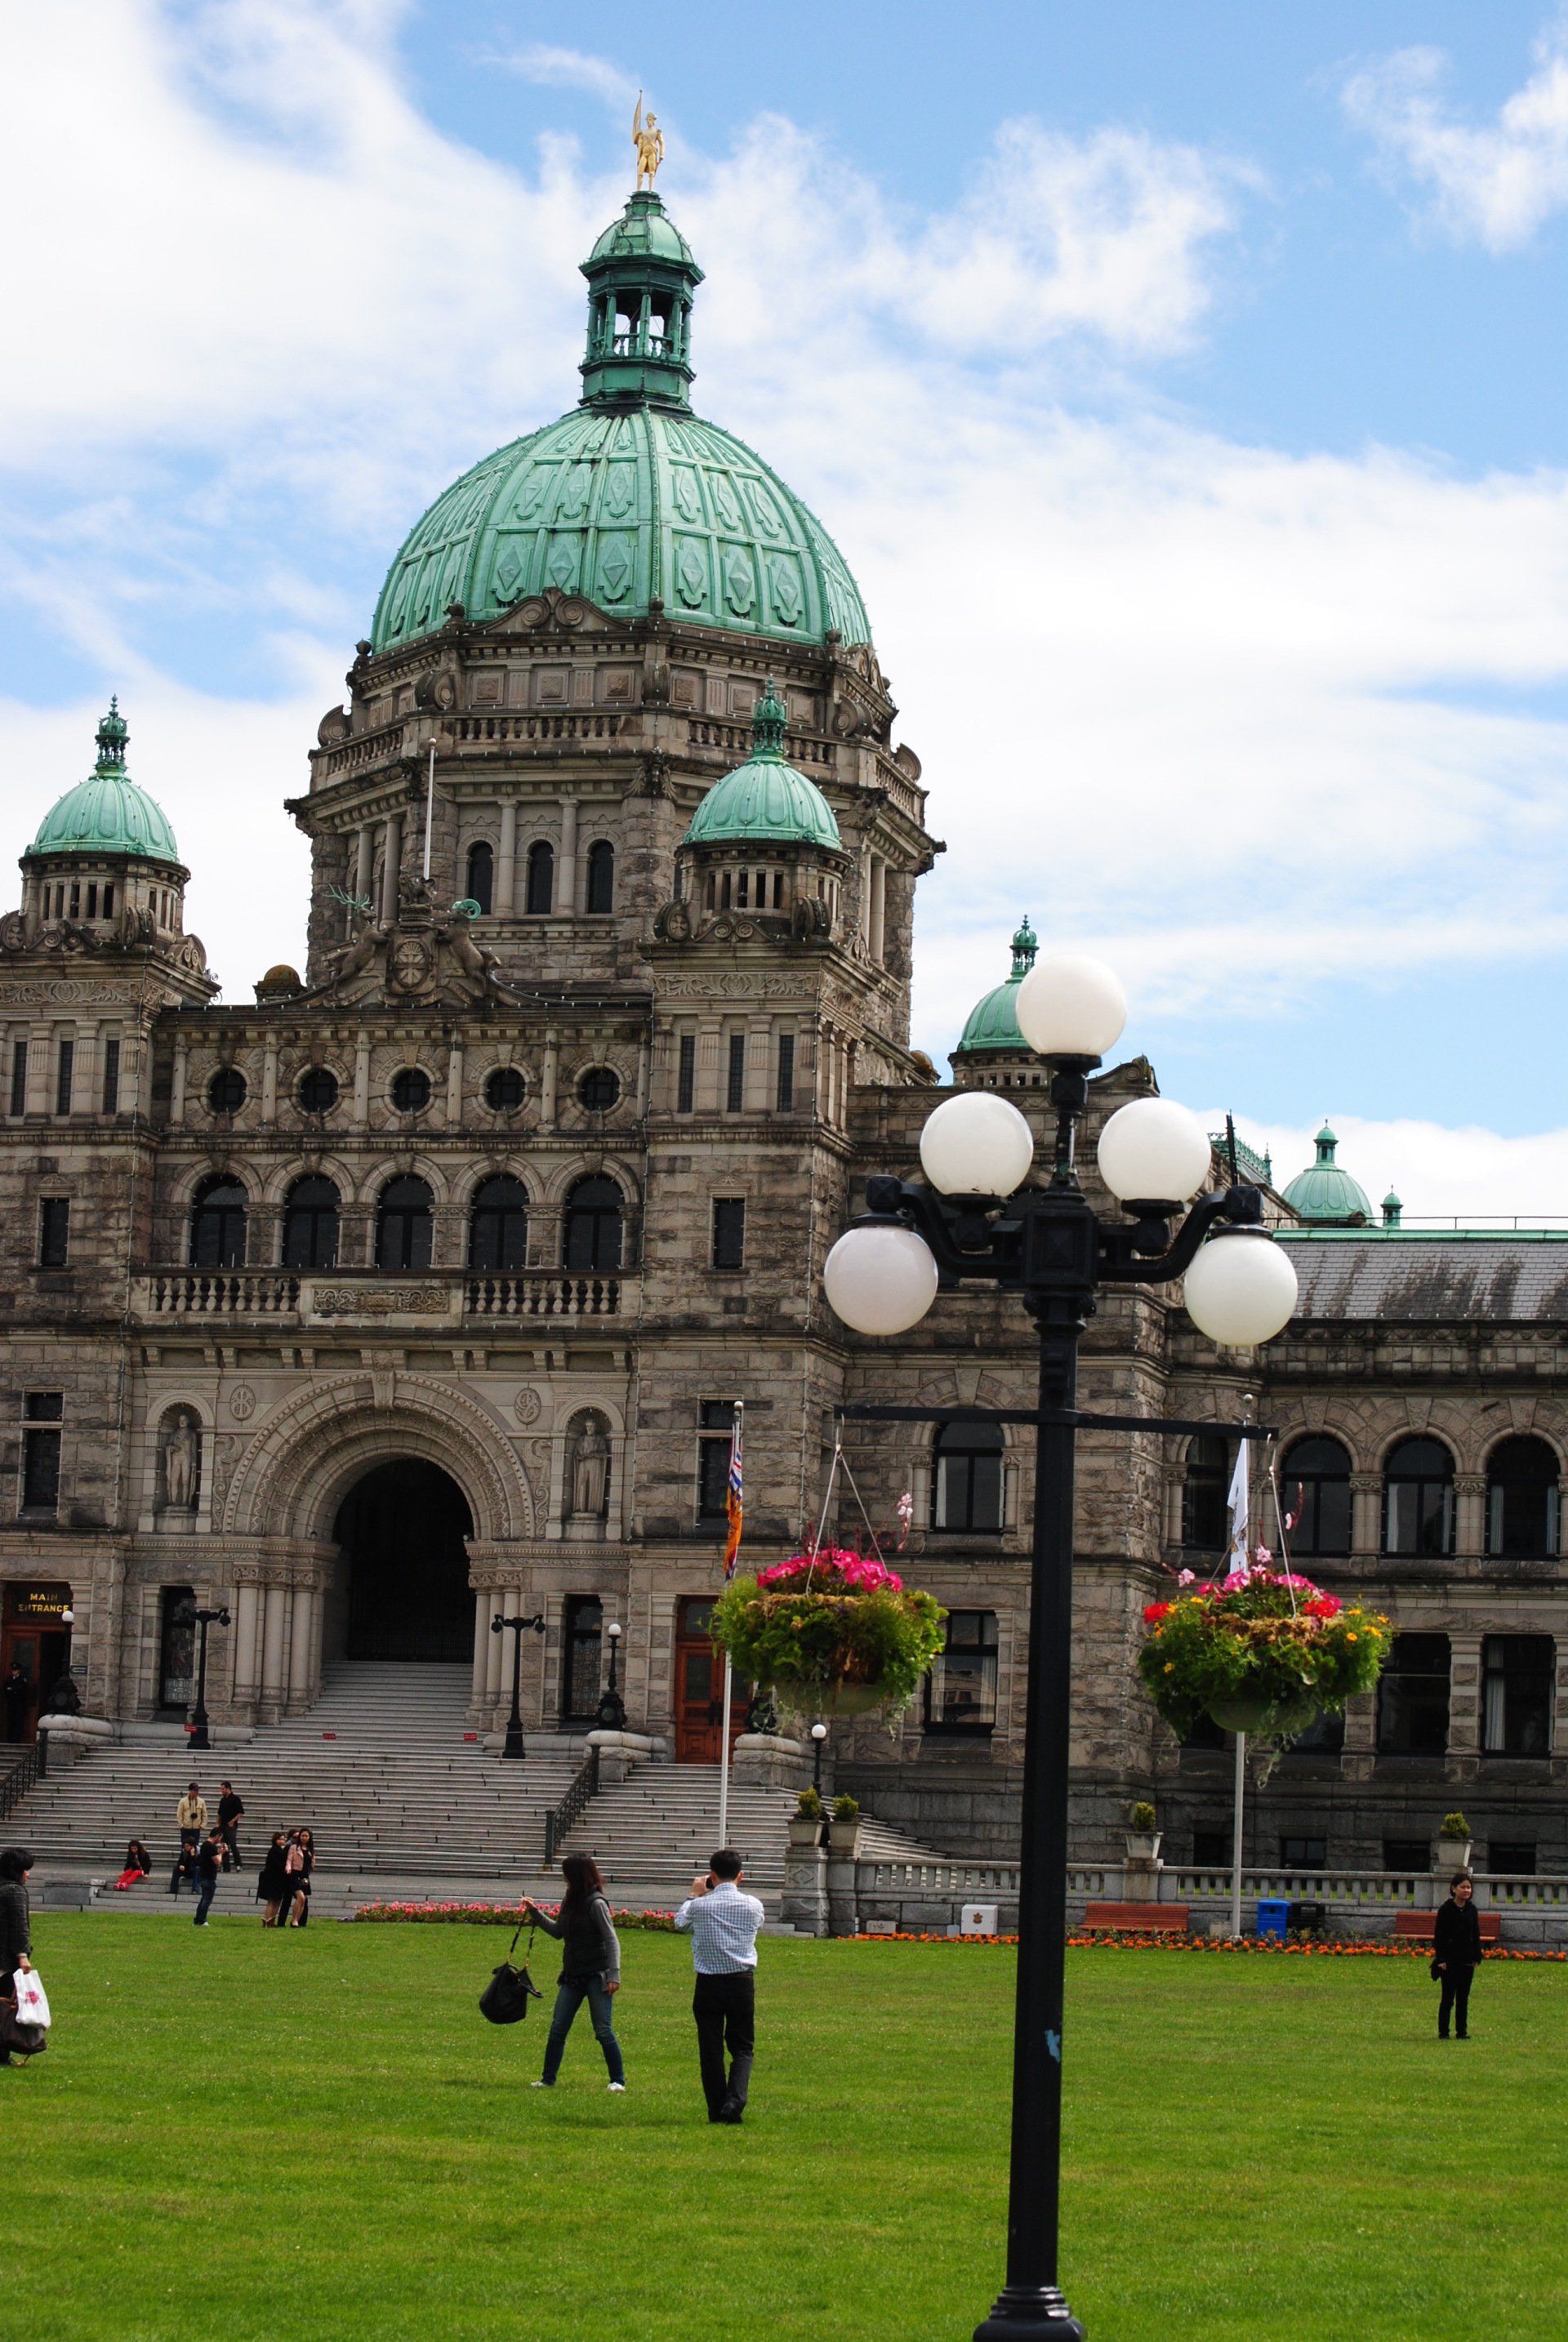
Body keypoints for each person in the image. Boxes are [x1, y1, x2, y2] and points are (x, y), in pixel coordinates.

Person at [674, 1849, 764, 2124]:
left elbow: (680, 1924)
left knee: (710, 2047)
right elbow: (757, 1925)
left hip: (709, 1982)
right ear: (741, 1876)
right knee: (742, 2046)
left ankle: (716, 2108)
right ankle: (735, 2100)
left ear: (711, 1876)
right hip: (741, 1981)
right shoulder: (753, 1905)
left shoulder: (699, 1906)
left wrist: (694, 1894)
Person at [523, 1854, 626, 2092]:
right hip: (572, 1974)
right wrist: (535, 1913)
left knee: (603, 2030)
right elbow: (559, 1931)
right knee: (558, 2027)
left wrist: (614, 1974)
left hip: (597, 1974)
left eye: (566, 1874)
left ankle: (618, 2080)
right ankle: (548, 2079)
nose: (563, 1878)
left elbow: (612, 1940)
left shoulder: (597, 1903)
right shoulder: (570, 1899)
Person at [1433, 1871, 1484, 2039]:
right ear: (1454, 1889)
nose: (1466, 1890)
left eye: (1469, 1887)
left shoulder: (1472, 1910)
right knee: (1448, 1998)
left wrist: (1477, 1956)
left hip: (1467, 1959)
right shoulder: (1446, 1910)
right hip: (1449, 1960)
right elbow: (1439, 1936)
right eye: (1463, 1887)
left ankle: (1461, 2031)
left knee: (1463, 1998)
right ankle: (1444, 2032)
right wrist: (1440, 1959)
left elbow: (1475, 1934)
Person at [0, 1846, 34, 2066]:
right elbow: (20, 1927)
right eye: (25, 1869)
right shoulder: (15, 1891)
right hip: (4, 1959)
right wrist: (23, 1956)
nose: (28, 1874)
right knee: (4, 2009)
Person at [256, 1832, 289, 1926]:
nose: (281, 1841)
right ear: (275, 1840)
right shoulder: (275, 1850)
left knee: (277, 1900)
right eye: (279, 1839)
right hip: (273, 1879)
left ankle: (271, 1920)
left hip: (277, 1879)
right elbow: (278, 1865)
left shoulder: (279, 1850)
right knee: (272, 1901)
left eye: (283, 1839)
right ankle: (268, 1919)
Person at [193, 1827, 223, 1927]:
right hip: (209, 1876)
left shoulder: (205, 1845)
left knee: (204, 1898)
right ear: (217, 1836)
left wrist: (219, 1853)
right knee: (207, 1899)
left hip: (203, 1875)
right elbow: (217, 1862)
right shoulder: (211, 1847)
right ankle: (202, 1920)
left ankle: (198, 1919)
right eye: (220, 1838)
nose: (220, 1840)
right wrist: (222, 1854)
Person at [284, 1828, 315, 1927]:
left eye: (306, 1836)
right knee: (300, 1896)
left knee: (304, 1899)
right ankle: (294, 1920)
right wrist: (288, 1868)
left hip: (305, 1876)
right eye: (302, 1836)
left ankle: (297, 1920)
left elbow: (311, 1862)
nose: (304, 1838)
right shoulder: (294, 1847)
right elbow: (289, 1860)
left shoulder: (310, 1849)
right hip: (295, 1875)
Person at [216, 1781, 244, 1872]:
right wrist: (218, 1823)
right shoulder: (223, 1800)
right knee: (224, 1845)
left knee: (232, 1844)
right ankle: (226, 1866)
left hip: (231, 1825)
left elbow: (241, 1812)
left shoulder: (236, 1799)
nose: (222, 1791)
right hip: (223, 1825)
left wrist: (233, 1821)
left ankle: (238, 1864)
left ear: (228, 1789)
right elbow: (219, 1813)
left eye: (223, 1789)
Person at [176, 1782, 207, 1857]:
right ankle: (184, 1860)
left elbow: (204, 1814)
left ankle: (194, 1861)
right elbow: (179, 1814)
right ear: (190, 1791)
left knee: (195, 1846)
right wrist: (181, 1825)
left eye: (198, 1790)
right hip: (186, 1828)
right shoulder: (183, 1801)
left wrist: (203, 1825)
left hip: (196, 1828)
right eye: (195, 1790)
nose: (197, 1792)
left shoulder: (201, 1801)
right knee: (185, 1846)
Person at [2, 1662, 28, 1743]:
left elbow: (23, 1691)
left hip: (19, 1704)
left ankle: (17, 1739)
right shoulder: (9, 1679)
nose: (14, 1672)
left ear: (19, 1671)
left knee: (18, 1721)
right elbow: (5, 1689)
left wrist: (13, 1690)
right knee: (10, 1721)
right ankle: (10, 1739)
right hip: (11, 1704)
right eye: (13, 1670)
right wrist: (14, 1690)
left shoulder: (22, 1679)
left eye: (15, 1670)